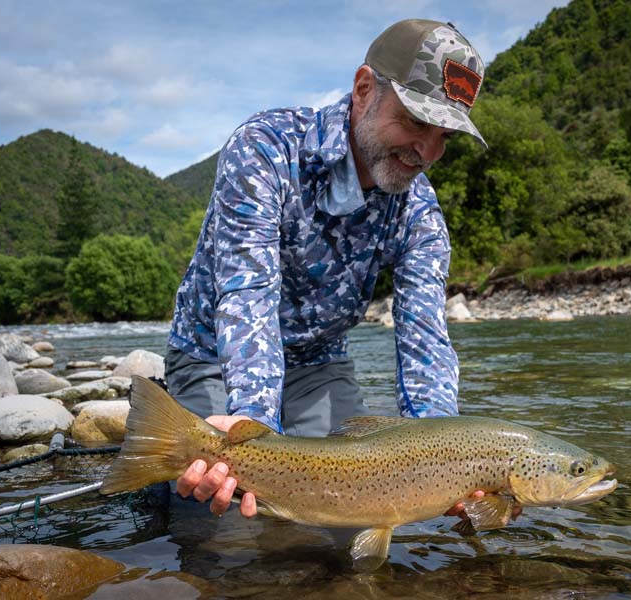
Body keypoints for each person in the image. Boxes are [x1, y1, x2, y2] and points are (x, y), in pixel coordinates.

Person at [165, 18, 510, 522]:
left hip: (319, 364)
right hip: (212, 355)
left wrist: (452, 462)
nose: (428, 152)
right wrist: (251, 425)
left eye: (446, 137)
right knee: (222, 523)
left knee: (353, 524)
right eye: (416, 122)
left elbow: (425, 340)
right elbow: (248, 296)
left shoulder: (420, 216)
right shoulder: (264, 151)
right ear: (364, 88)